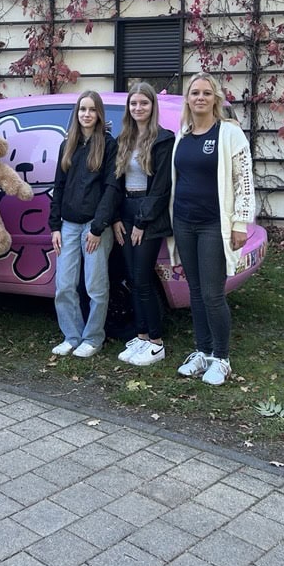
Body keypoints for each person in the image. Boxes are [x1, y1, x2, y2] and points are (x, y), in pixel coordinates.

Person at [171, 72, 256, 385]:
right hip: (183, 222)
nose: (200, 98)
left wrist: (239, 223)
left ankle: (221, 358)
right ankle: (202, 352)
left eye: (207, 93)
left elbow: (244, 182)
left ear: (215, 99)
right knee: (194, 291)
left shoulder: (229, 134)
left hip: (213, 225)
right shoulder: (183, 134)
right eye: (195, 93)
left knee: (212, 293)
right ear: (188, 100)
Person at [49, 90, 118, 358]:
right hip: (68, 225)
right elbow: (59, 187)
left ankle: (92, 338)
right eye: (82, 110)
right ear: (76, 114)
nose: (86, 114)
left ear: (99, 114)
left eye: (91, 110)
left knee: (95, 286)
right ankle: (72, 335)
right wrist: (55, 226)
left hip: (94, 228)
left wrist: (98, 227)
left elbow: (112, 188)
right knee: (64, 285)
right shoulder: (67, 146)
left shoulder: (108, 145)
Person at [113, 83, 175, 367]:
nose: (138, 108)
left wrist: (141, 222)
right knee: (132, 278)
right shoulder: (124, 138)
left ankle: (156, 342)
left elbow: (161, 188)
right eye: (133, 103)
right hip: (125, 212)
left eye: (144, 103)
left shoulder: (163, 139)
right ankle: (140, 336)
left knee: (143, 278)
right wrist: (115, 218)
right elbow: (114, 183)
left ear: (152, 106)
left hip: (147, 215)